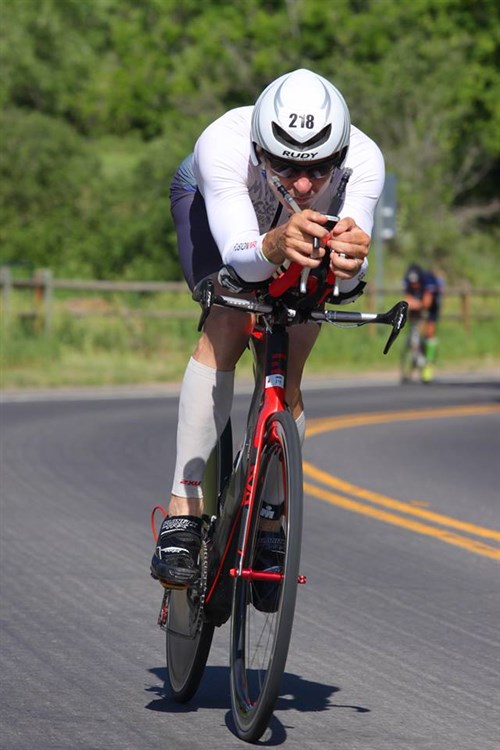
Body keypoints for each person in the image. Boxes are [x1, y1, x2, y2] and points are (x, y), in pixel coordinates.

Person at [151, 68, 385, 588]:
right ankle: (183, 509)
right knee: (229, 318)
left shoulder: (366, 160)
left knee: (292, 356)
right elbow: (241, 258)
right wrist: (275, 244)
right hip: (224, 220)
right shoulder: (224, 142)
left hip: (290, 240)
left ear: (341, 155)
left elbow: (351, 275)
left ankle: (271, 521)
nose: (304, 184)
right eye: (285, 165)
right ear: (260, 149)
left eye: (321, 168)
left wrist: (351, 265)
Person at [403, 263, 443, 381]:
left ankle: (429, 363)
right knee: (413, 329)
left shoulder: (428, 281)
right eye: (412, 283)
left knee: (429, 333)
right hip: (418, 304)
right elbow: (407, 300)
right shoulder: (408, 282)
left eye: (416, 283)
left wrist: (414, 304)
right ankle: (416, 354)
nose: (414, 285)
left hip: (432, 307)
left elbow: (426, 304)